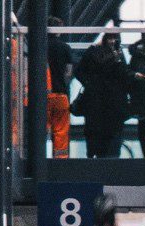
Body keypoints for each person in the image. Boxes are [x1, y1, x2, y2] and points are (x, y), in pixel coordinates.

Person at [74, 33, 130, 158]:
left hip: (95, 98)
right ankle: (109, 157)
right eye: (111, 38)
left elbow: (79, 71)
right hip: (113, 100)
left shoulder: (92, 52)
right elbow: (124, 75)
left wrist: (89, 83)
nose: (112, 42)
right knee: (111, 133)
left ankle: (93, 155)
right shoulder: (118, 55)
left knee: (94, 130)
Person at [47, 17, 75, 159]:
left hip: (41, 96)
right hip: (60, 94)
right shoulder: (65, 47)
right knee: (61, 131)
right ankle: (60, 160)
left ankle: (39, 158)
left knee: (40, 129)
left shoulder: (38, 46)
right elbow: (68, 72)